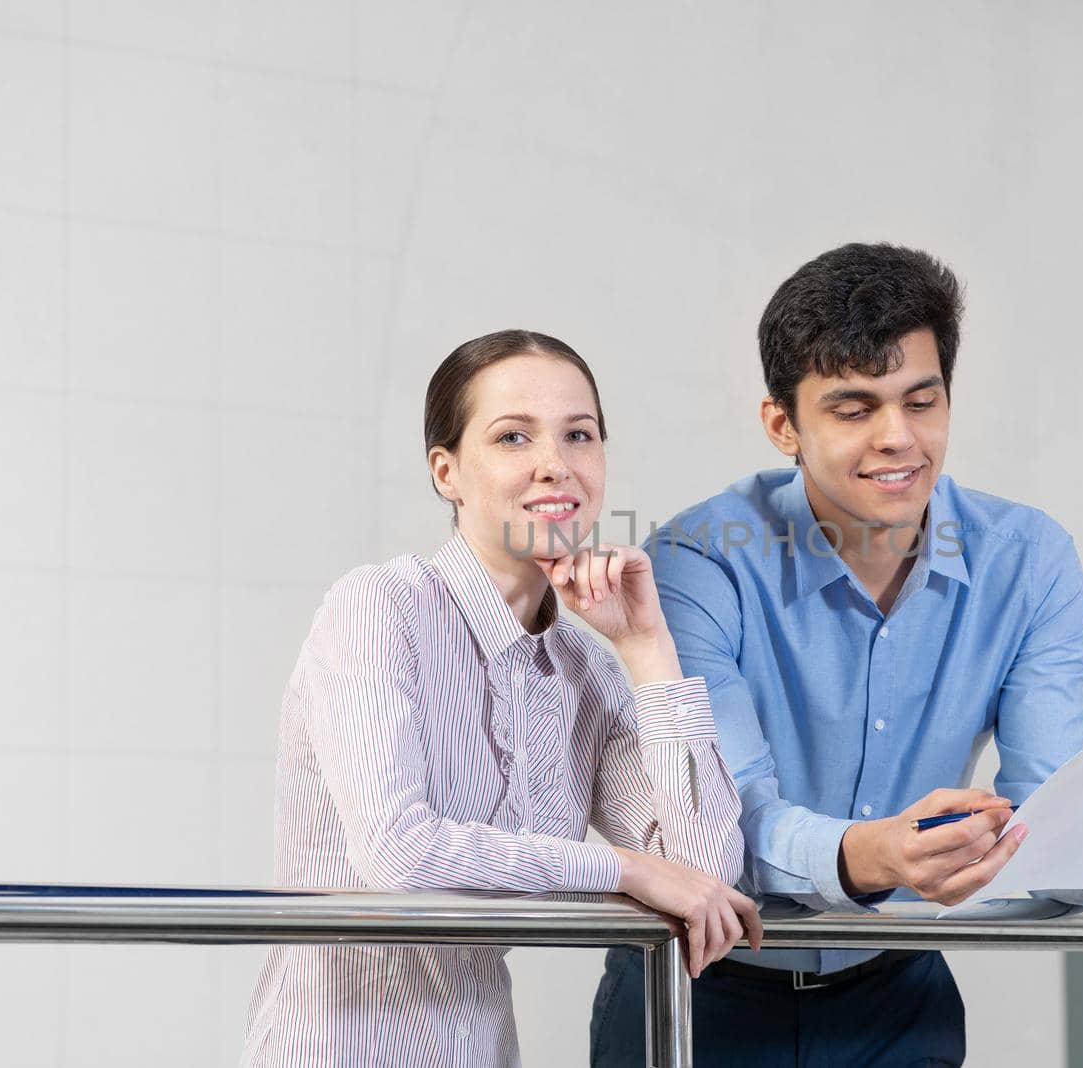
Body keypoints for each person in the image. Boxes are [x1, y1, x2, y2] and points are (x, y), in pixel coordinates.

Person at [590, 245, 1083, 1066]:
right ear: (784, 424)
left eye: (921, 401)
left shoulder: (1028, 560)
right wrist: (870, 854)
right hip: (699, 983)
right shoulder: (698, 560)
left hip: (897, 989)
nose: (899, 439)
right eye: (854, 410)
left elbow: (1042, 815)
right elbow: (721, 820)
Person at [241, 329, 762, 1068]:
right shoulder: (380, 607)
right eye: (513, 436)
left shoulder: (586, 664)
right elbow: (400, 852)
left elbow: (705, 870)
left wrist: (649, 650)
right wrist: (625, 870)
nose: (555, 463)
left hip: (483, 1049)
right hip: (335, 1049)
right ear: (446, 470)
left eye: (579, 435)